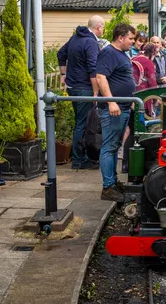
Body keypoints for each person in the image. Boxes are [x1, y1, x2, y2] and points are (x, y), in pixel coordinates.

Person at [57, 15, 104, 170]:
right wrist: (96, 92)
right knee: (82, 124)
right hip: (84, 87)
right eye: (103, 27)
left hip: (72, 86)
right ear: (99, 27)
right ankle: (78, 160)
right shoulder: (90, 42)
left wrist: (64, 74)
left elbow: (60, 54)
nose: (103, 30)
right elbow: (92, 69)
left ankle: (80, 157)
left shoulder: (75, 38)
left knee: (80, 121)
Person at [96, 23, 136, 202]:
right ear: (120, 37)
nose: (133, 42)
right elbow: (100, 77)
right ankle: (107, 187)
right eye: (131, 38)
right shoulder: (109, 53)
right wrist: (111, 102)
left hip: (123, 106)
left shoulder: (121, 54)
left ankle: (113, 182)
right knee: (109, 146)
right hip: (114, 108)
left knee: (114, 145)